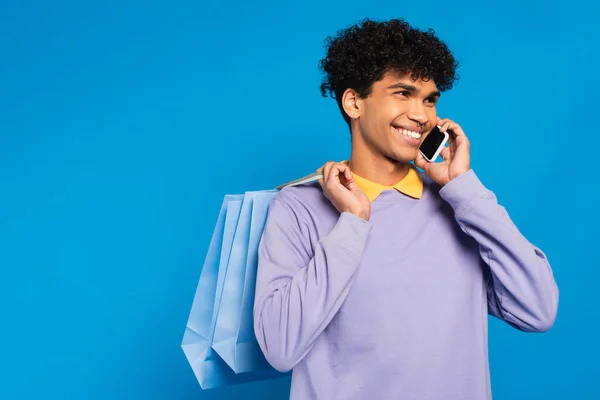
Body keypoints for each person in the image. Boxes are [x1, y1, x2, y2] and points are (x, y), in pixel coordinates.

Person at [252, 18, 559, 400]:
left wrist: (464, 189)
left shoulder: (459, 204)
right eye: (403, 93)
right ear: (354, 102)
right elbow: (280, 349)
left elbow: (538, 310)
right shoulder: (299, 208)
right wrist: (352, 222)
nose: (422, 114)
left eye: (430, 99)